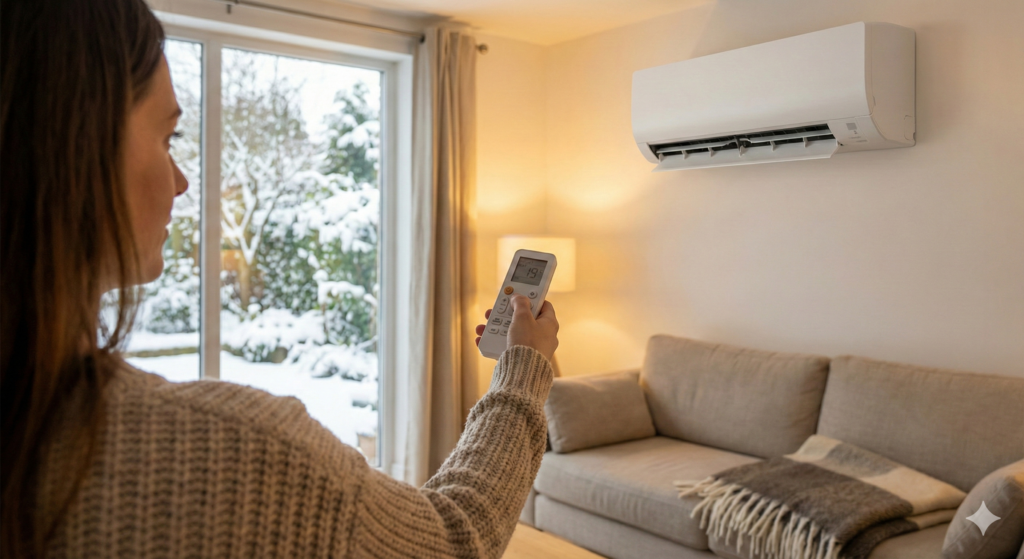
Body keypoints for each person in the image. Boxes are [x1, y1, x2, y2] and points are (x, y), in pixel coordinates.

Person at [0, 0, 559, 557]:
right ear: (69, 145)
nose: (181, 182)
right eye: (168, 138)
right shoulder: (237, 452)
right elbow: (455, 538)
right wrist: (523, 368)